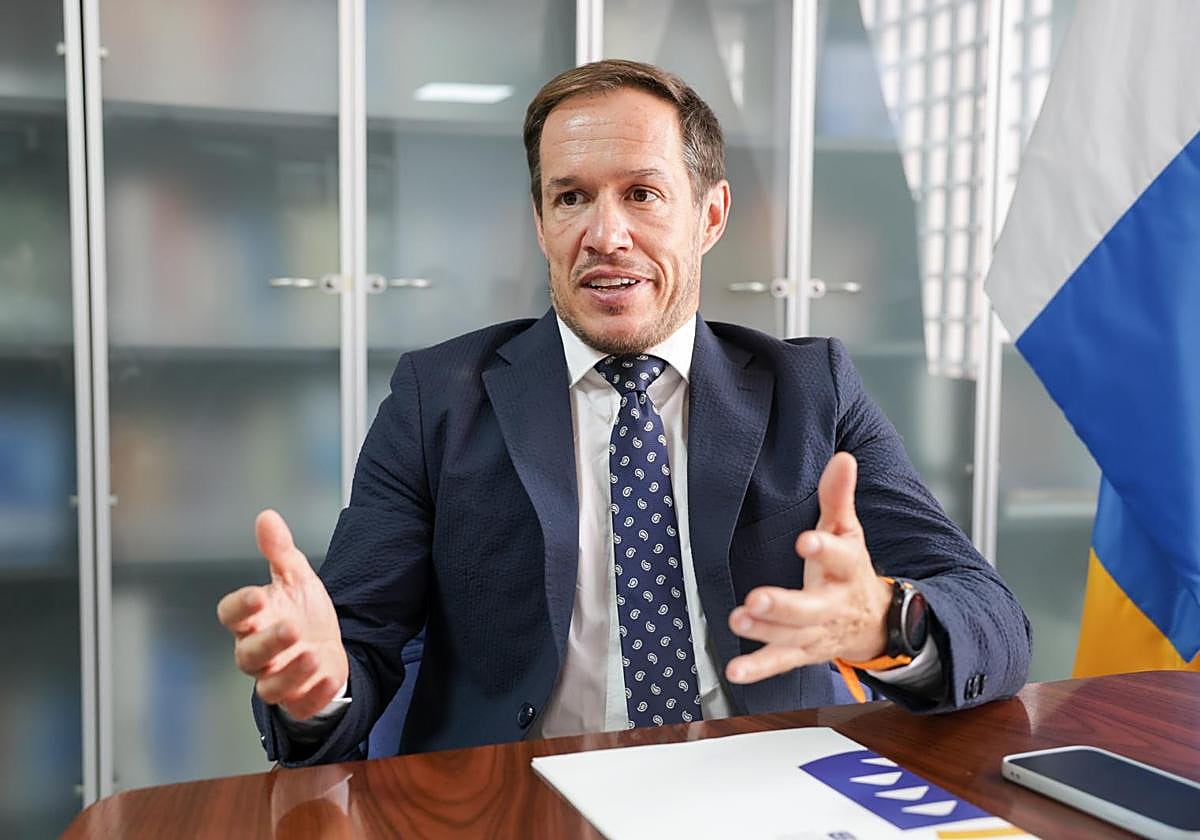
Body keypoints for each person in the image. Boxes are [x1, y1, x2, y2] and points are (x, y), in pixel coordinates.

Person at [218, 59, 1031, 766]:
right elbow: (350, 647)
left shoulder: (811, 387)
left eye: (642, 194)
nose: (605, 234)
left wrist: (887, 622)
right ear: (542, 223)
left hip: (764, 779)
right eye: (571, 197)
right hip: (518, 796)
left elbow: (992, 619)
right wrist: (316, 686)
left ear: (710, 216)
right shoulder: (439, 397)